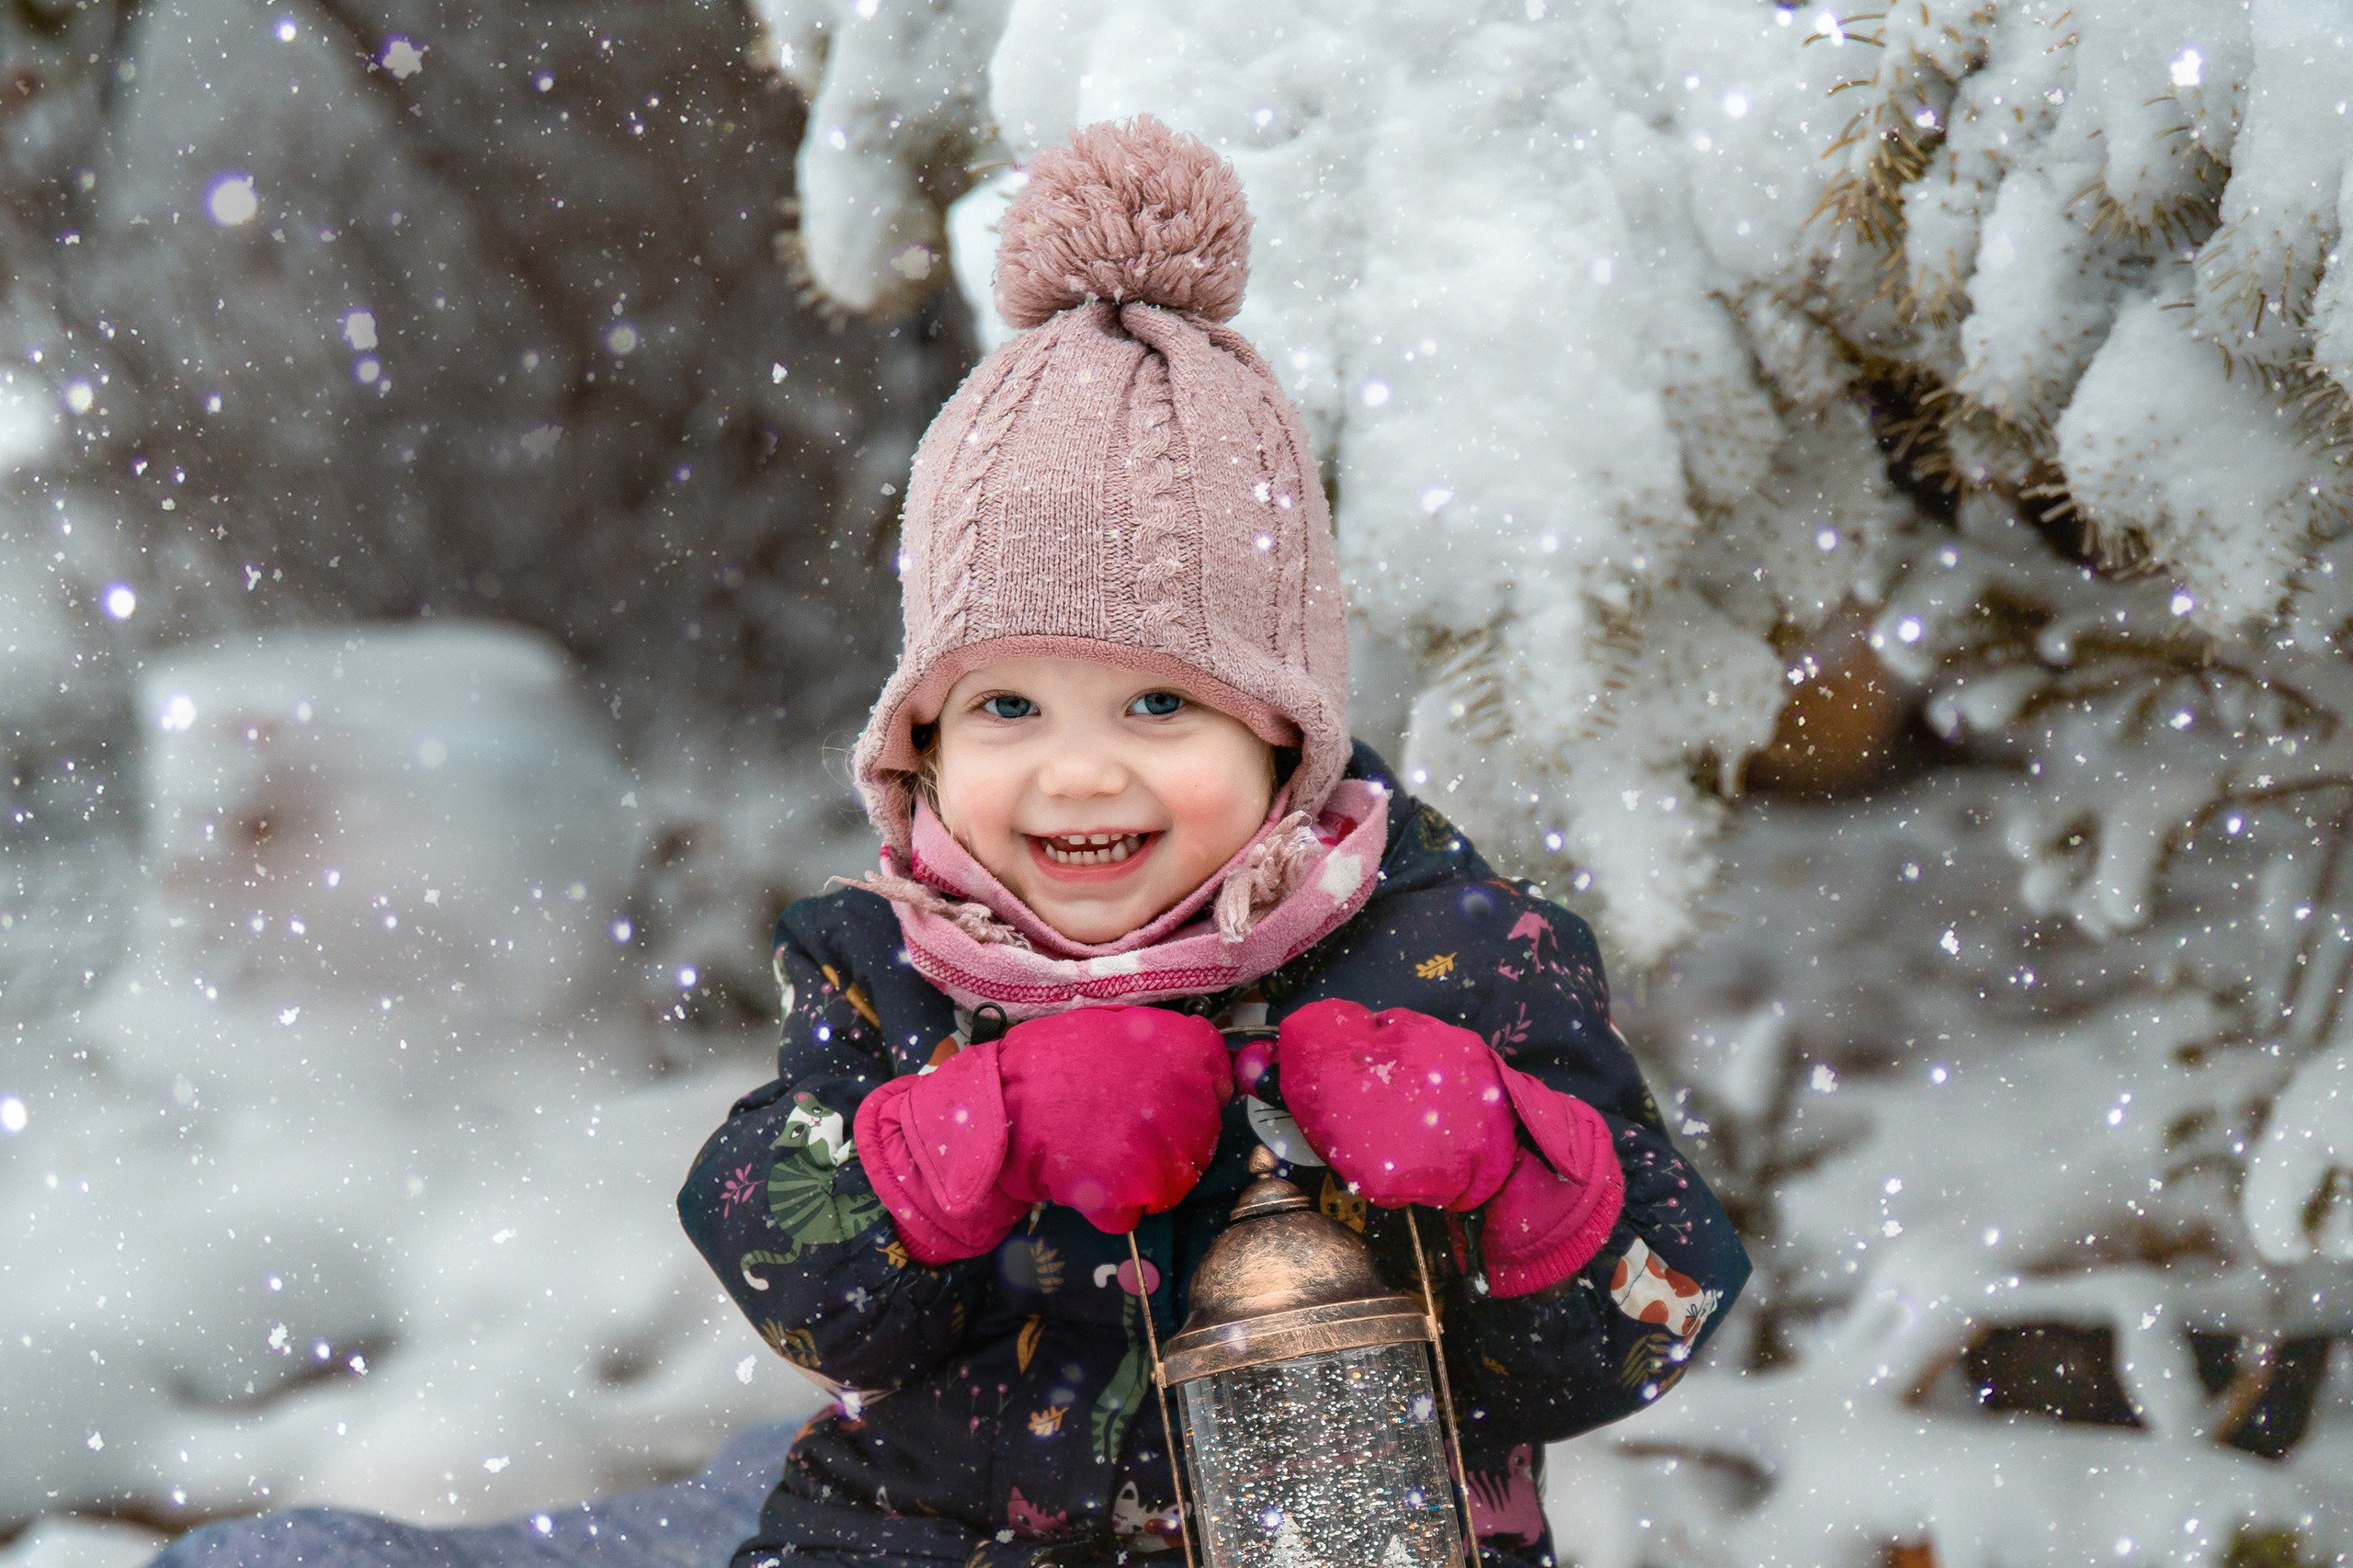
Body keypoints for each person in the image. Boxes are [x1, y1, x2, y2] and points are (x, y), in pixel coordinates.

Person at [676, 116, 1749, 1568]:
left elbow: (1656, 1306)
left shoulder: (1456, 952)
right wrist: (961, 1137)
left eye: (1160, 699)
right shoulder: (892, 969)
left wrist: (1513, 1167)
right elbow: (773, 1243)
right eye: (1003, 702)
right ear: (918, 742)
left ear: (1281, 734)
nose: (1076, 767)